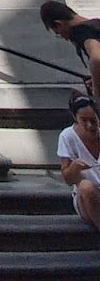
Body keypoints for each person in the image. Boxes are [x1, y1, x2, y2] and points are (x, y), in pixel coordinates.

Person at [57, 94, 100, 231]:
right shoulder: (67, 136)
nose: (90, 126)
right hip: (87, 199)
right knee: (86, 187)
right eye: (84, 121)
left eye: (93, 121)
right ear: (76, 119)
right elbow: (68, 179)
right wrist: (74, 168)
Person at [40, 0, 100, 97]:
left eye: (58, 33)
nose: (65, 38)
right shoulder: (96, 24)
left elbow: (97, 58)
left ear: (58, 24)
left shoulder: (83, 33)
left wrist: (97, 88)